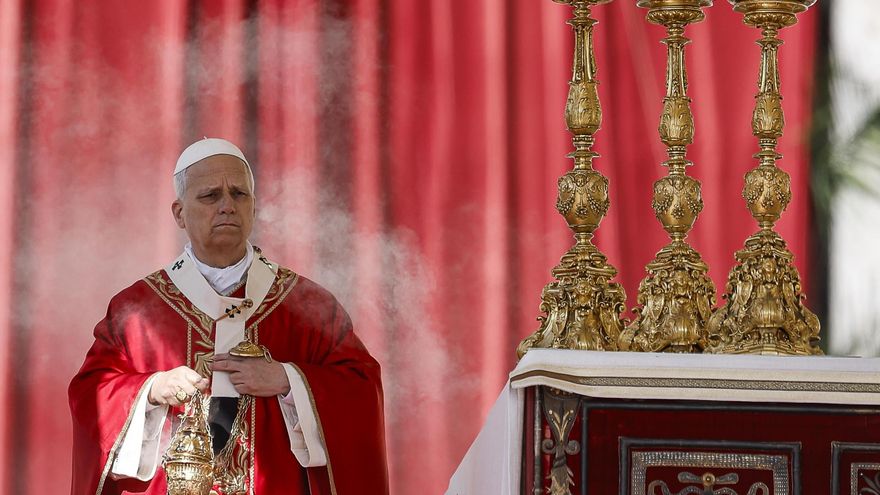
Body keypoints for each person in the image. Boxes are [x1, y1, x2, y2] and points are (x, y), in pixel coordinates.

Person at [69, 138, 388, 495]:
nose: (227, 206)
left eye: (239, 194)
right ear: (179, 213)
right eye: (210, 196)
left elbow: (360, 386)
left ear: (253, 207)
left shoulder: (308, 306)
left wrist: (288, 379)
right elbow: (90, 394)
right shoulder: (137, 309)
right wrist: (152, 390)